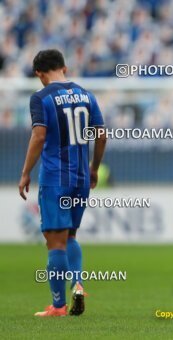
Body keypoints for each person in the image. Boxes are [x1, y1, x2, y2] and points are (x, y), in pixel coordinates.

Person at [18, 49, 107, 317]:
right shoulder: (86, 94)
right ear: (64, 68)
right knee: (70, 236)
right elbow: (101, 136)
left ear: (39, 74)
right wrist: (94, 168)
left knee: (54, 242)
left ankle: (58, 306)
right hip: (80, 177)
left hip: (56, 178)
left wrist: (25, 173)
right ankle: (77, 283)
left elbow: (39, 136)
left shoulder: (41, 97)